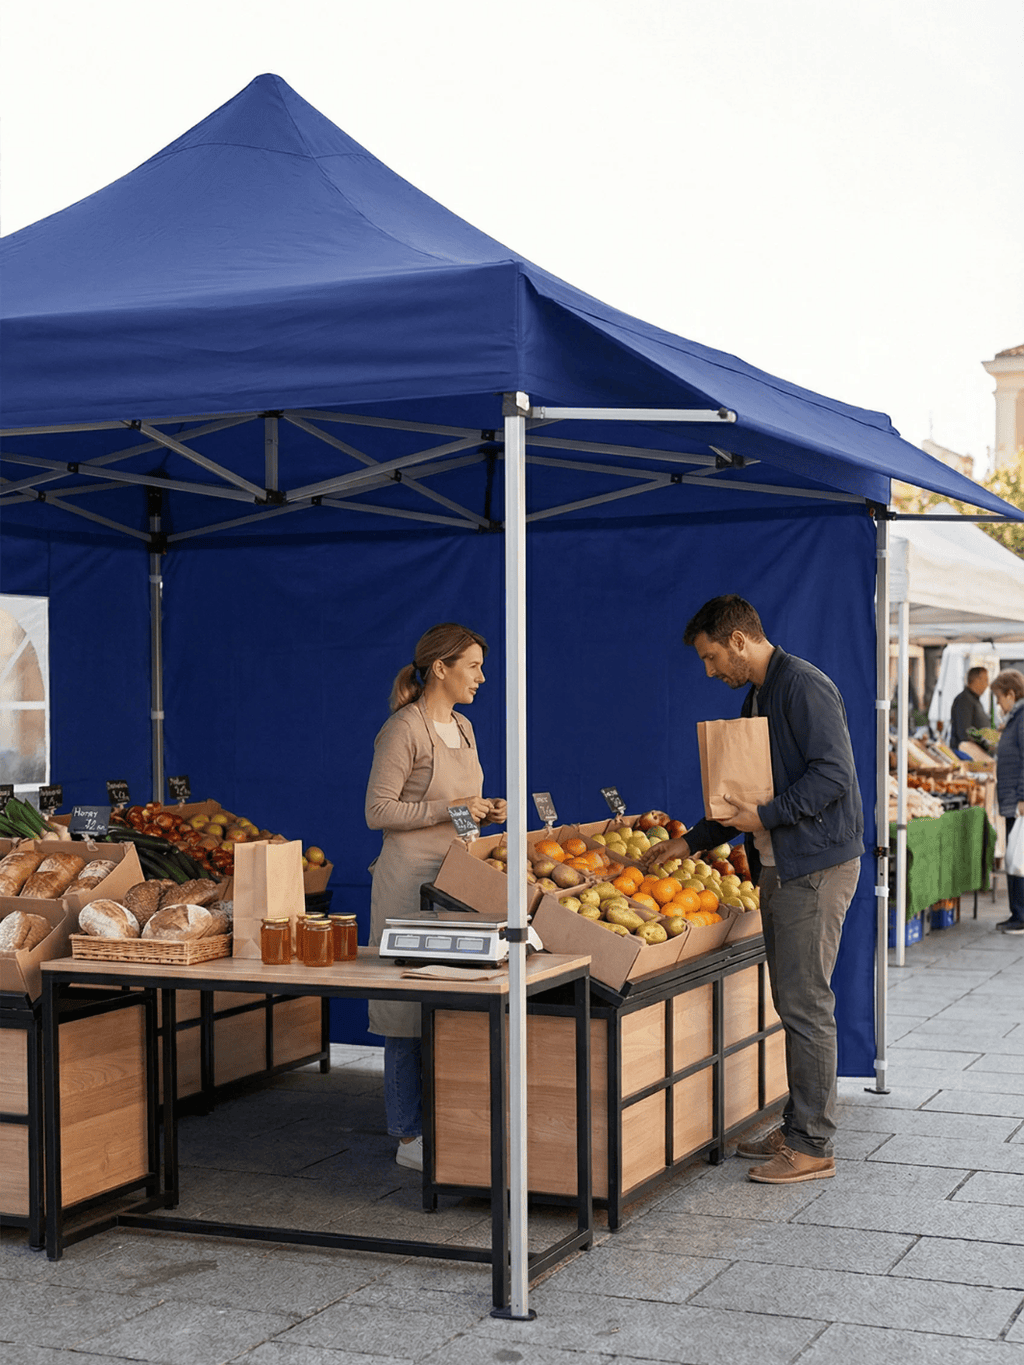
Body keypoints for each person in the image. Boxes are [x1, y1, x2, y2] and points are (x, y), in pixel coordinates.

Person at [646, 595, 863, 1185]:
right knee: (794, 1000)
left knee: (805, 1004)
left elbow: (834, 776)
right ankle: (797, 1126)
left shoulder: (804, 687)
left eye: (712, 656)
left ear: (738, 640)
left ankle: (812, 1145)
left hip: (813, 868)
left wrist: (766, 816)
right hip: (781, 865)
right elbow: (741, 797)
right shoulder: (759, 695)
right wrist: (690, 842)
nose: (710, 670)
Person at [365, 623, 506, 1172]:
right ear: (441, 668)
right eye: (473, 665)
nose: (482, 676)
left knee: (450, 1002)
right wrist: (454, 809)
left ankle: (447, 1121)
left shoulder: (465, 727)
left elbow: (462, 802)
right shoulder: (402, 730)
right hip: (406, 886)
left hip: (456, 883)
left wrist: (484, 810)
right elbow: (378, 812)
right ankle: (407, 1137)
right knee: (405, 1012)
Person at [990, 669, 1024, 934]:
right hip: (1013, 797)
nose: (999, 705)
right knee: (1015, 855)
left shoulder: (1022, 718)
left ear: (1011, 694)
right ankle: (1016, 912)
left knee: (1018, 857)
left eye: (1000, 698)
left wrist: (1023, 796)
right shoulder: (1015, 718)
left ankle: (1020, 915)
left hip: (1018, 799)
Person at [949, 666, 990, 751]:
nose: (987, 684)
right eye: (986, 680)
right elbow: (964, 733)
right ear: (977, 680)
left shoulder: (973, 699)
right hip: (967, 755)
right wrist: (985, 743)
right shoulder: (964, 700)